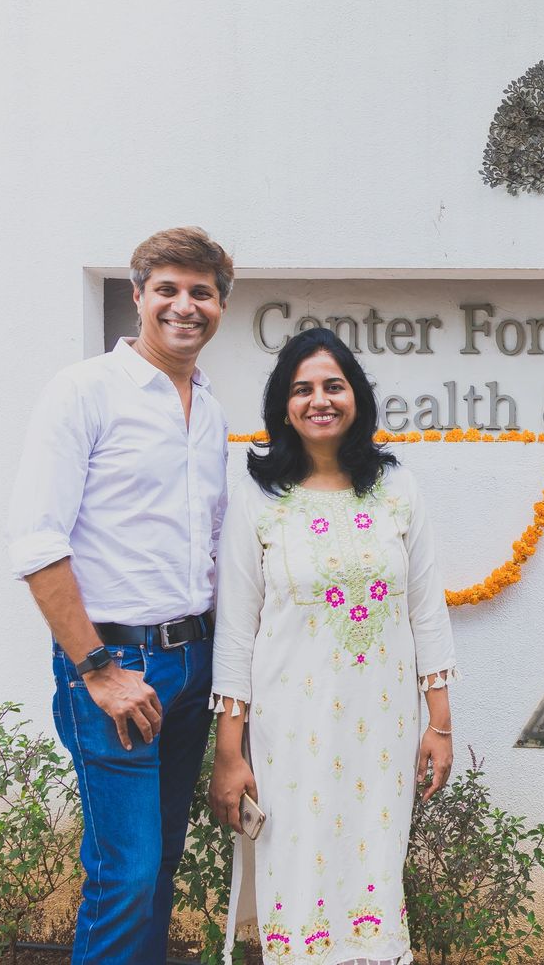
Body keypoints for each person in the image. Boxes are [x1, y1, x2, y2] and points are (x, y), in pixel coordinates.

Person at [8, 227, 234, 962]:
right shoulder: (84, 391)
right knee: (126, 874)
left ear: (220, 307)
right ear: (137, 297)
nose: (184, 305)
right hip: (117, 668)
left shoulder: (210, 407)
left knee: (159, 864)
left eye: (201, 292)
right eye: (167, 288)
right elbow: (39, 543)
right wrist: (98, 670)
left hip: (191, 665)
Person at [207, 327, 456, 964]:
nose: (320, 400)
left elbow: (426, 609)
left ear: (356, 398)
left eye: (333, 386)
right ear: (283, 405)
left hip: (381, 724)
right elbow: (236, 630)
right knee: (297, 861)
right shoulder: (258, 496)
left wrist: (441, 725)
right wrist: (229, 754)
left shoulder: (396, 488)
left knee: (373, 858)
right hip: (289, 726)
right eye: (303, 389)